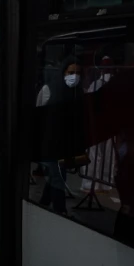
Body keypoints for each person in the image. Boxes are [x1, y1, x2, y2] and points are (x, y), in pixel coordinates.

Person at [36, 57, 83, 216]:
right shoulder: (48, 89)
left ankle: (43, 202)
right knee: (58, 177)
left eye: (78, 73)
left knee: (57, 176)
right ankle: (60, 210)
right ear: (63, 73)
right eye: (71, 72)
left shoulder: (78, 93)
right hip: (50, 142)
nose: (74, 76)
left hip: (67, 144)